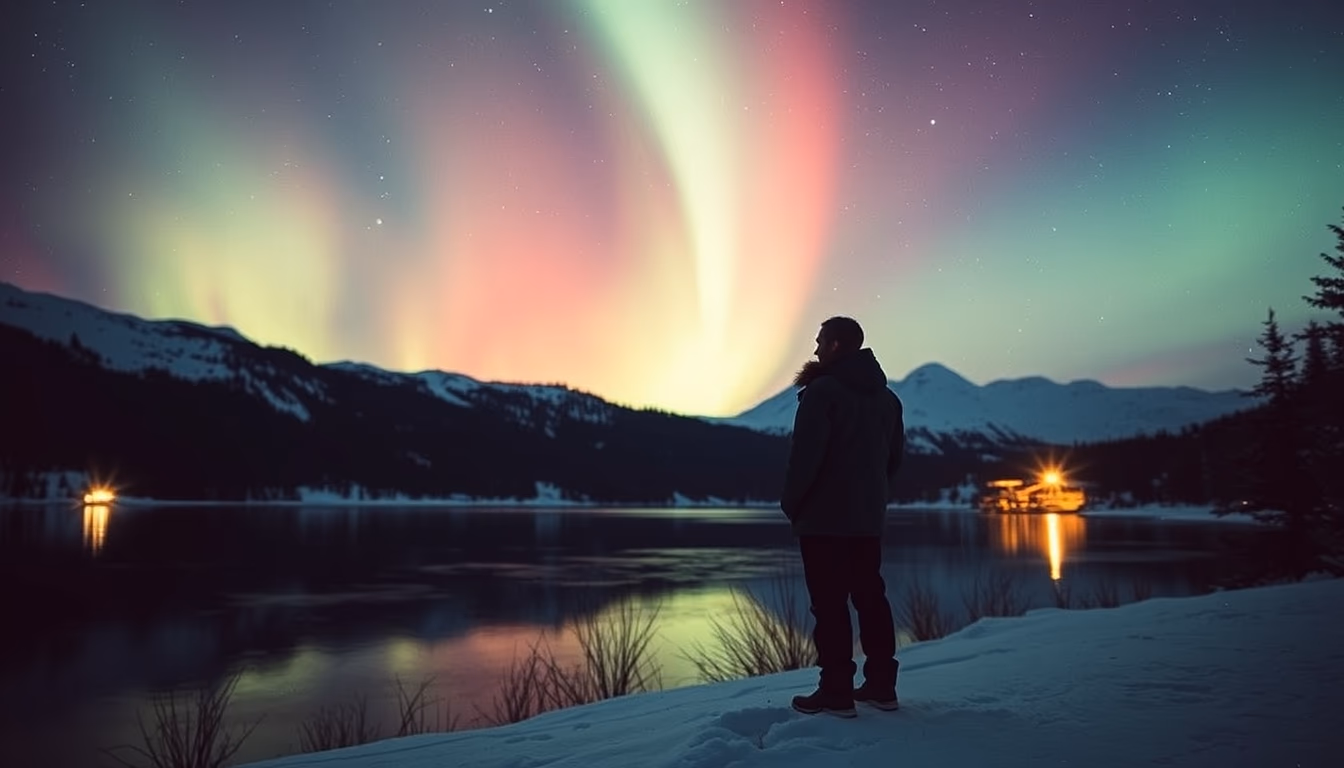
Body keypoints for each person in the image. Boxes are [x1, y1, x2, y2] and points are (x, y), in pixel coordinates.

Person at [781, 316, 905, 717]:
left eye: (820, 342)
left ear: (836, 345)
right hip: (868, 520)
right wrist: (873, 498)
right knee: (871, 598)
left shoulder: (822, 393)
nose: (815, 349)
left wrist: (793, 503)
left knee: (830, 605)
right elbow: (893, 460)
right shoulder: (888, 400)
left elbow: (806, 457)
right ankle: (882, 686)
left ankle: (836, 691)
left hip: (823, 521)